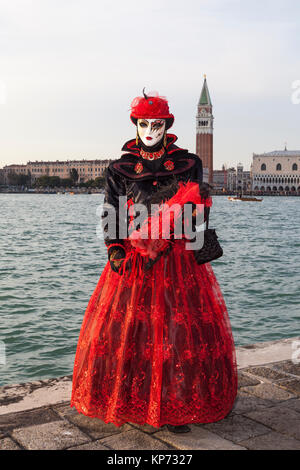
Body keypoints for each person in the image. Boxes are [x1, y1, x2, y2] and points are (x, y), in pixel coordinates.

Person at [71, 90, 237, 433]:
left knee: (178, 332)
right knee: (135, 331)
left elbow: (195, 211)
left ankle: (175, 406)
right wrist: (114, 249)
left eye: (156, 123)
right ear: (136, 125)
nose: (150, 129)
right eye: (144, 123)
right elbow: (112, 211)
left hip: (178, 260)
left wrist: (200, 238)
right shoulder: (120, 168)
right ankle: (138, 400)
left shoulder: (189, 163)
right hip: (135, 261)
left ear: (167, 126)